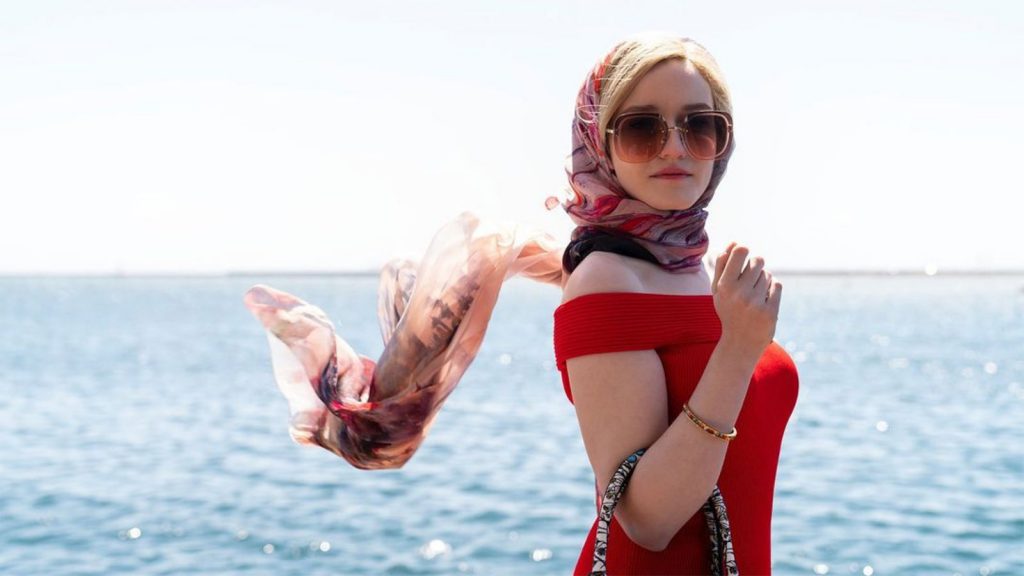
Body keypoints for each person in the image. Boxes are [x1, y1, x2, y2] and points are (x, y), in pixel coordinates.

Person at [551, 34, 800, 574]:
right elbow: (646, 519)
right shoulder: (604, 278)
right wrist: (737, 349)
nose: (674, 148)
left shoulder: (699, 272)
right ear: (600, 143)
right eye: (643, 128)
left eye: (699, 124)